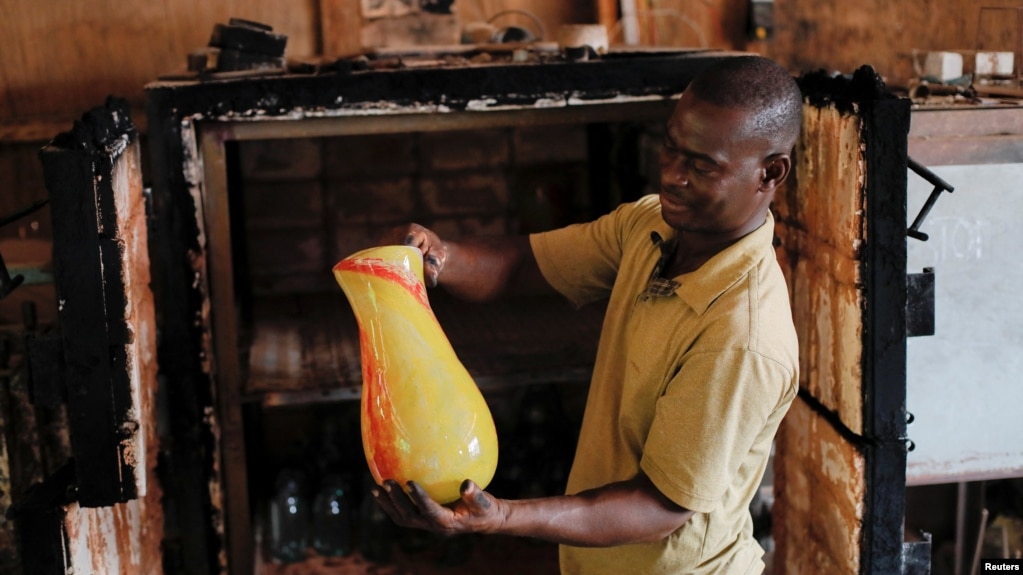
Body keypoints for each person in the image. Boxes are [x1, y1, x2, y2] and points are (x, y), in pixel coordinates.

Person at [372, 54, 803, 574]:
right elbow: (523, 265)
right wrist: (440, 255)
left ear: (770, 172)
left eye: (702, 165)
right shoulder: (654, 227)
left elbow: (657, 507)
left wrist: (501, 518)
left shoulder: (742, 336)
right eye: (670, 146)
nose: (671, 175)